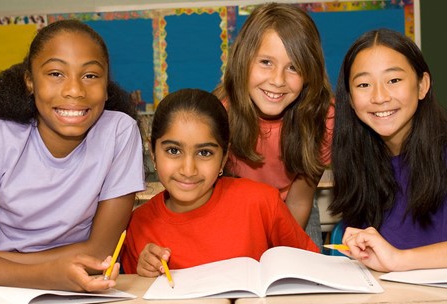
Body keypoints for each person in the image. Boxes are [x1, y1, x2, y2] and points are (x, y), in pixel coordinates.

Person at [0, 19, 145, 291]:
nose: (74, 90)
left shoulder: (119, 132)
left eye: (90, 76)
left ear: (106, 85)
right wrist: (47, 275)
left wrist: (3, 263)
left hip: (81, 286)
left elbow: (100, 254)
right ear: (29, 81)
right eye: (55, 74)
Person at [120, 88, 319, 277]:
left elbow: (311, 268)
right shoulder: (138, 224)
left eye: (204, 153)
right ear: (153, 153)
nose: (188, 170)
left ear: (224, 158)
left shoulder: (262, 203)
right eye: (173, 150)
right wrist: (143, 275)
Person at [213, 3, 334, 247]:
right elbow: (215, 198)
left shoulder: (323, 119)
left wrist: (279, 251)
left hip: (292, 209)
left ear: (310, 73)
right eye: (266, 62)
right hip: (233, 210)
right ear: (243, 60)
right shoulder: (218, 116)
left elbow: (300, 199)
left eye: (294, 67)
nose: (278, 80)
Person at [328, 28, 447, 272]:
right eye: (364, 84)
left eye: (393, 80)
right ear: (350, 100)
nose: (379, 96)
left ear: (422, 85)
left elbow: (394, 260)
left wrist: (397, 260)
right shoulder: (357, 163)